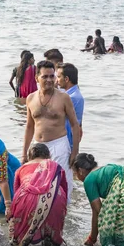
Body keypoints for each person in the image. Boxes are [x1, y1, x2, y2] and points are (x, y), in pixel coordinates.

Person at [23, 60, 81, 203]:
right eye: (45, 76)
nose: (49, 80)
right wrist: (24, 153)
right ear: (37, 78)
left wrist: (75, 152)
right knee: (38, 187)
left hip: (59, 145)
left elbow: (75, 125)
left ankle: (64, 220)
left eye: (52, 76)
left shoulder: (63, 98)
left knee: (62, 186)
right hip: (37, 147)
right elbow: (29, 127)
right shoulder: (31, 98)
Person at [9, 143, 67, 246]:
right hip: (54, 198)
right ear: (48, 156)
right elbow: (65, 190)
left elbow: (16, 195)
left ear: (29, 157)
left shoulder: (21, 169)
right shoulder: (55, 167)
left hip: (27, 198)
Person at [56, 63, 84, 149]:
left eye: (59, 77)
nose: (56, 80)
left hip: (67, 140)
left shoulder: (72, 97)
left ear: (66, 79)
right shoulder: (71, 93)